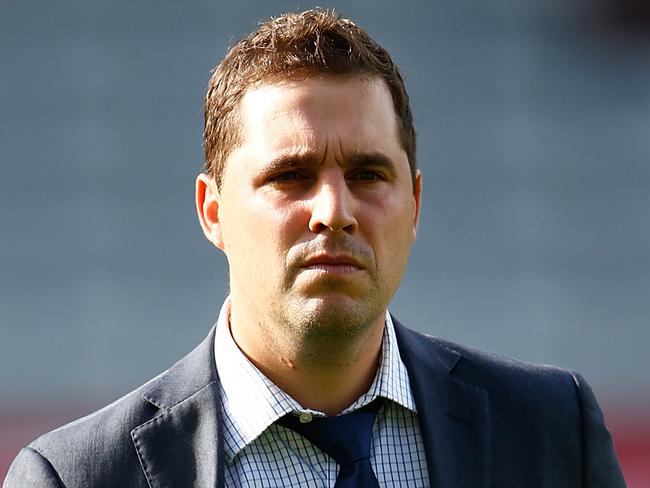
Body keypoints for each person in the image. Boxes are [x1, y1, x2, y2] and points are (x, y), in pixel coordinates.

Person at [4, 8, 625, 488]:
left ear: (414, 204)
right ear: (212, 211)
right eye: (290, 176)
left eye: (367, 175)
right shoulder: (77, 477)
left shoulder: (550, 431)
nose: (334, 212)